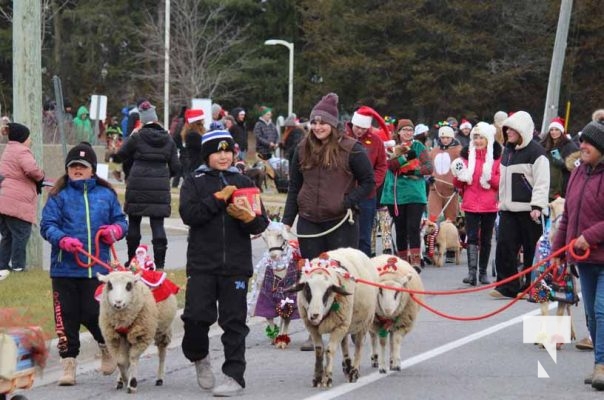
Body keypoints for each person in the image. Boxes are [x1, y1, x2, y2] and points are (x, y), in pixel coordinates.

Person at [179, 130, 269, 397]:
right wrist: (217, 200)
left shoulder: (243, 180)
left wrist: (248, 218)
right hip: (202, 264)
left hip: (236, 266)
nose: (223, 156)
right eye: (217, 151)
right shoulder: (194, 181)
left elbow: (261, 223)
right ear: (208, 154)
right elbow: (189, 215)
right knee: (196, 318)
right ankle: (199, 356)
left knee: (234, 323)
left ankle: (234, 377)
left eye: (228, 151)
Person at [282, 93, 374, 350]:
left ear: (333, 124)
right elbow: (293, 187)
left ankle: (343, 326)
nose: (318, 126)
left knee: (340, 278)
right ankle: (314, 331)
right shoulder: (301, 149)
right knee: (311, 278)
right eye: (314, 122)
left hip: (341, 223)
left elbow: (368, 181)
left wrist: (349, 201)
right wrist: (287, 222)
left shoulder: (352, 148)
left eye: (323, 122)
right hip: (309, 221)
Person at [40, 142, 127, 386]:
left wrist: (113, 231)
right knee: (66, 318)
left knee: (93, 314)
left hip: (96, 270)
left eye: (82, 166)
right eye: (73, 166)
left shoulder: (106, 195)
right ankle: (68, 366)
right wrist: (63, 240)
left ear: (92, 170)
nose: (77, 170)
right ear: (67, 169)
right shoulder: (59, 196)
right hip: (64, 269)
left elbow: (122, 222)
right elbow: (47, 226)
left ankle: (106, 347)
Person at [551, 119, 604, 389]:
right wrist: (559, 249)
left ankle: (602, 366)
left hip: (599, 252)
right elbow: (568, 214)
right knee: (592, 316)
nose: (582, 146)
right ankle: (599, 362)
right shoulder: (578, 174)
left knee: (601, 310)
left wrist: (589, 236)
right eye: (581, 141)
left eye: (588, 142)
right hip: (583, 257)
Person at [490, 111, 550, 299]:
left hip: (529, 210)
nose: (508, 133)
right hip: (508, 208)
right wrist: (500, 202)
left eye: (512, 129)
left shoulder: (537, 152)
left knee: (533, 251)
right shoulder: (507, 150)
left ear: (522, 130)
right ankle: (507, 286)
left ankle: (534, 288)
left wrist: (537, 206)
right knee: (505, 247)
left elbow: (542, 182)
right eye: (507, 129)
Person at [115, 100, 180, 270]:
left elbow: (120, 155)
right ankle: (160, 264)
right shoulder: (168, 139)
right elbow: (176, 167)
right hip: (159, 184)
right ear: (156, 118)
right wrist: (164, 176)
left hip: (137, 181)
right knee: (157, 225)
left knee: (134, 222)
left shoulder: (137, 137)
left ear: (142, 119)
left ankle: (131, 260)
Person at [451, 122, 502, 285]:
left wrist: (490, 178)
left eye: (481, 138)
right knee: (472, 238)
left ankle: (483, 272)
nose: (478, 141)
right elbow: (458, 185)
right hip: (471, 203)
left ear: (488, 139)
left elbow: (500, 182)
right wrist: (458, 176)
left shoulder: (496, 158)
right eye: (476, 137)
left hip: (489, 205)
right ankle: (471, 273)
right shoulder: (465, 158)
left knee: (486, 239)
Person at [381, 118, 433, 272]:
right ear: (399, 132)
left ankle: (416, 261)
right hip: (395, 194)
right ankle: (402, 262)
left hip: (415, 194)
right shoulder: (392, 146)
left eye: (410, 130)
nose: (408, 133)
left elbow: (429, 167)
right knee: (400, 228)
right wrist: (405, 157)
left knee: (413, 227)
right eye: (405, 130)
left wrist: (414, 171)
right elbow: (391, 166)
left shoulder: (418, 146)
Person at [0, 123, 45, 278]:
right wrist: (41, 176)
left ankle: (2, 267)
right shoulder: (22, 151)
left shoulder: (9, 149)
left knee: (7, 235)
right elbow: (31, 169)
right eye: (29, 137)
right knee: (21, 235)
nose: (30, 140)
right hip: (17, 202)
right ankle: (18, 267)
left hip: (4, 200)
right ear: (23, 138)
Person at [345, 106, 387, 257]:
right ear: (352, 124)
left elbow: (382, 165)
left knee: (364, 235)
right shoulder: (342, 138)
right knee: (345, 234)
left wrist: (372, 183)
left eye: (363, 128)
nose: (360, 131)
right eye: (357, 127)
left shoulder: (376, 141)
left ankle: (364, 265)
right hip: (345, 193)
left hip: (367, 195)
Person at [540, 117, 580, 200]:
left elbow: (577, 165)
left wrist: (564, 164)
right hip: (544, 186)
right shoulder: (543, 144)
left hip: (562, 188)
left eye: (556, 130)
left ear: (561, 131)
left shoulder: (569, 145)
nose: (554, 132)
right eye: (551, 130)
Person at [427, 125, 462, 222]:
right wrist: (429, 177)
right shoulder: (434, 151)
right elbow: (428, 166)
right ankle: (432, 236)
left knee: (451, 218)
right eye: (442, 138)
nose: (445, 140)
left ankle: (451, 235)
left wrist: (459, 183)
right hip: (435, 188)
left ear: (452, 138)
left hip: (451, 189)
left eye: (447, 137)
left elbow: (462, 168)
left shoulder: (458, 151)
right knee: (433, 218)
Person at [180, 108, 206, 175]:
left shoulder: (194, 133)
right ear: (197, 121)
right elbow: (205, 147)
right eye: (202, 120)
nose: (203, 122)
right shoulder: (193, 135)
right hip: (196, 167)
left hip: (197, 165)